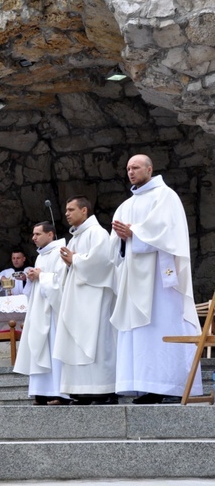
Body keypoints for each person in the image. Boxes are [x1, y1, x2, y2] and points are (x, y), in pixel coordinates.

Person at [110, 154, 202, 404]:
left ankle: (173, 386)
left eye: (136, 167)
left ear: (149, 169)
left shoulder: (165, 196)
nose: (131, 172)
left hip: (161, 280)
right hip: (134, 279)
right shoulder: (126, 205)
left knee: (164, 325)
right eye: (128, 168)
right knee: (142, 334)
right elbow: (114, 248)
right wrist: (121, 239)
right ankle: (146, 385)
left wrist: (134, 234)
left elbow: (169, 233)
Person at [54, 196, 117, 405]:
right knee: (76, 343)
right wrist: (70, 263)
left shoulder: (97, 233)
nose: (67, 214)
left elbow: (103, 263)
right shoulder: (75, 238)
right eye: (66, 210)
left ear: (84, 211)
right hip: (78, 300)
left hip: (95, 300)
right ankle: (80, 390)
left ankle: (102, 390)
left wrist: (75, 260)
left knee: (97, 342)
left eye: (71, 209)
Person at [13, 222, 71, 405]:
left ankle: (58, 393)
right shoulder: (40, 256)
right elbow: (39, 283)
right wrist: (32, 278)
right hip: (39, 310)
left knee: (54, 350)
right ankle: (41, 393)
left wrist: (41, 277)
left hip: (53, 313)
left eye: (38, 234)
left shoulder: (59, 252)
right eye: (33, 234)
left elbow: (62, 281)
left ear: (50, 234)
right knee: (38, 349)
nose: (34, 238)